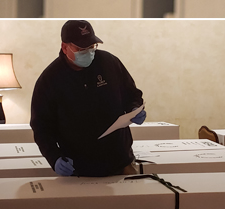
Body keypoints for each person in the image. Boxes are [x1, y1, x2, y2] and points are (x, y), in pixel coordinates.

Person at [30, 20, 146, 177]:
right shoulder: (50, 80)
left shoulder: (109, 63)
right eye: (81, 48)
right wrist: (54, 158)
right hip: (79, 167)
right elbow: (41, 127)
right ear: (65, 47)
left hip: (121, 160)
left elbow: (132, 94)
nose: (89, 52)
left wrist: (134, 108)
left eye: (92, 47)